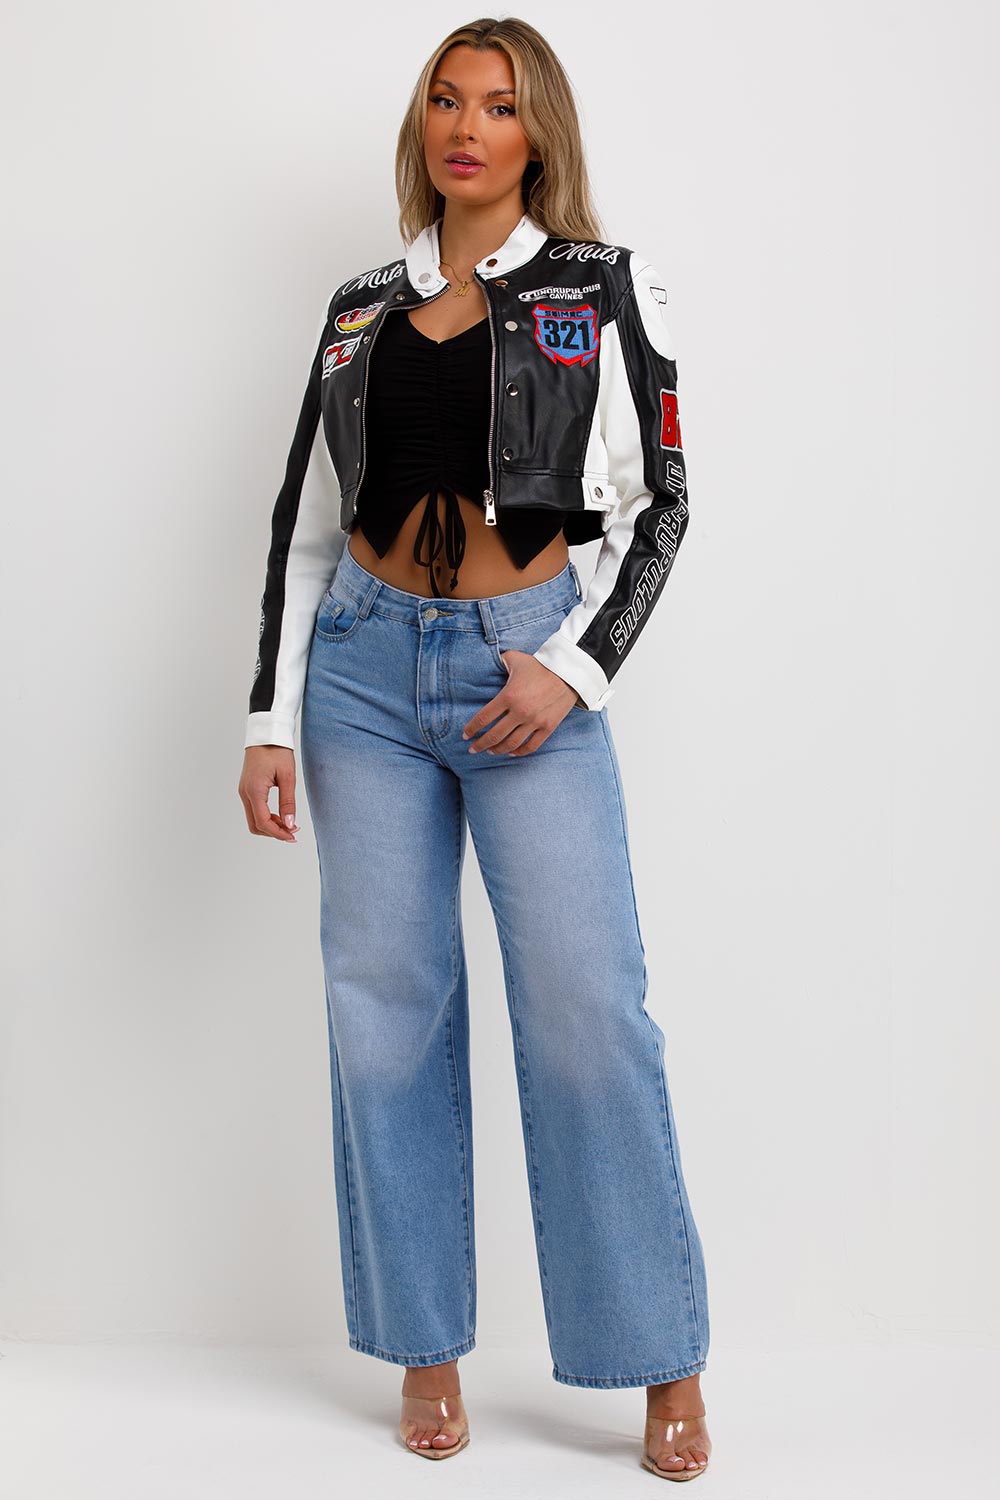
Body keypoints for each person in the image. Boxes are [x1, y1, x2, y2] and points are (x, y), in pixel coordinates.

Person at [237, 15, 712, 1480]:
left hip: (526, 675)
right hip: (365, 677)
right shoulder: (358, 309)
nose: (466, 126)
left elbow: (662, 504)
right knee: (385, 1008)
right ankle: (425, 1350)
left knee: (586, 1011)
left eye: (498, 106)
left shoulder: (601, 286)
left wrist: (573, 672)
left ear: (536, 132)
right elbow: (306, 526)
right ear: (422, 126)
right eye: (445, 101)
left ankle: (660, 1359)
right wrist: (268, 716)